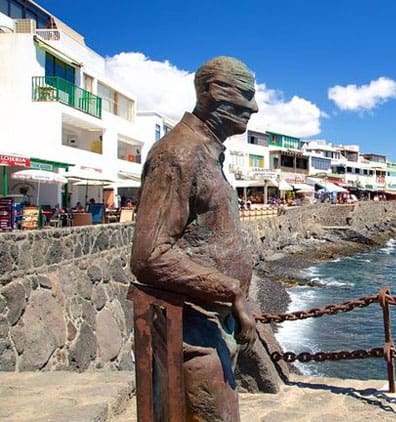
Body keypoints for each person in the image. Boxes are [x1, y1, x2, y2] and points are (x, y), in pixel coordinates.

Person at [130, 56, 259, 421]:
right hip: (190, 330)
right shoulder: (178, 153)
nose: (254, 106)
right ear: (211, 91)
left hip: (211, 325)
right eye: (245, 95)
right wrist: (230, 290)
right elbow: (150, 255)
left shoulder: (206, 152)